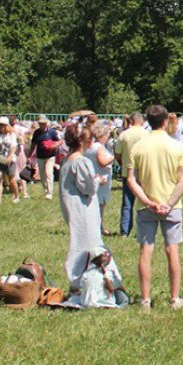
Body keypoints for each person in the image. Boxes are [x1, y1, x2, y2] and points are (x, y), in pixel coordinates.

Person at [127, 105, 183, 309]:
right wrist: (169, 203)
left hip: (146, 206)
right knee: (172, 250)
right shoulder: (177, 146)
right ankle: (175, 298)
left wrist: (147, 201)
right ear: (165, 121)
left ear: (148, 121)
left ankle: (145, 299)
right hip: (172, 205)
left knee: (146, 251)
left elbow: (131, 179)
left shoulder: (138, 147)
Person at [58, 124, 104, 292]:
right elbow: (88, 188)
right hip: (82, 210)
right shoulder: (81, 161)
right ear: (84, 141)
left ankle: (82, 282)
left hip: (72, 209)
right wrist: (98, 180)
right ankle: (84, 284)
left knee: (80, 243)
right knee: (88, 246)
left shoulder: (66, 159)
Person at [114, 112, 148, 236]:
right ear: (141, 121)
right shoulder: (147, 134)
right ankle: (144, 230)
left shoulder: (124, 135)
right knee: (144, 202)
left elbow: (117, 154)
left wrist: (122, 163)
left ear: (131, 121)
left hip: (127, 172)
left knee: (127, 203)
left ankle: (124, 231)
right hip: (144, 173)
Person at [84, 122, 116, 228]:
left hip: (93, 176)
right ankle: (98, 226)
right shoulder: (99, 147)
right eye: (106, 135)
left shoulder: (90, 146)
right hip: (101, 177)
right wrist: (114, 157)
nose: (107, 138)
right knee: (100, 204)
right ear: (102, 135)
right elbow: (103, 162)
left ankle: (97, 226)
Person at [29, 116, 61, 200]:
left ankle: (49, 193)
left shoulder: (52, 132)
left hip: (50, 156)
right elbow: (33, 144)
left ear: (46, 124)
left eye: (43, 123)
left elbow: (60, 141)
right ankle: (46, 190)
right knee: (42, 175)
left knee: (48, 172)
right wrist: (29, 154)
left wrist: (54, 146)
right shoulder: (36, 132)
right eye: (40, 124)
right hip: (40, 156)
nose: (42, 125)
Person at [0, 118, 22, 204]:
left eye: (2, 125)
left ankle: (16, 196)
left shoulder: (11, 135)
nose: (0, 127)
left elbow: (14, 146)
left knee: (12, 180)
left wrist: (10, 156)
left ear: (6, 126)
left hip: (10, 160)